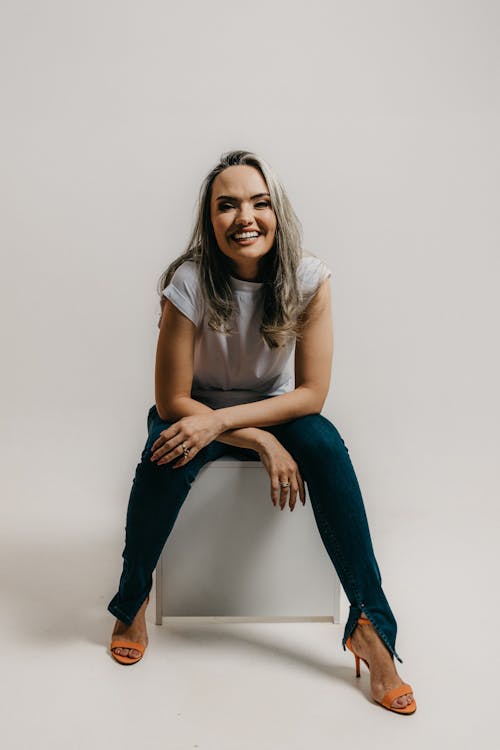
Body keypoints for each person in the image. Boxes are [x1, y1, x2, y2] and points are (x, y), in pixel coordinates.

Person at [107, 149, 416, 715]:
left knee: (321, 439)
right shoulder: (190, 280)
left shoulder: (308, 278)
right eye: (227, 205)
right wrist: (257, 440)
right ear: (210, 221)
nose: (244, 216)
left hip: (267, 411)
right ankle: (131, 600)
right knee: (165, 450)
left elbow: (310, 395)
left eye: (259, 202)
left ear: (278, 212)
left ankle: (370, 626)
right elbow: (172, 399)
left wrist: (239, 426)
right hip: (193, 407)